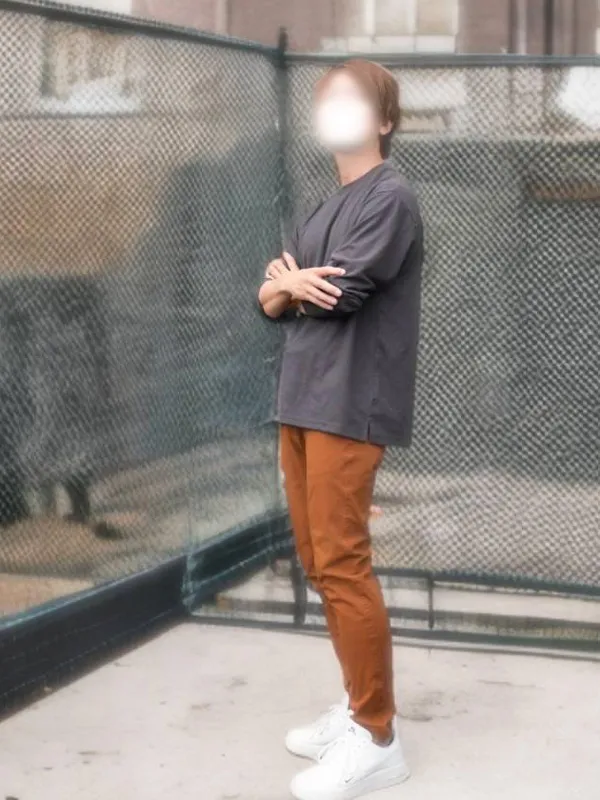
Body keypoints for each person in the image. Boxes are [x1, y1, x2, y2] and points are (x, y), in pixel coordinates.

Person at [258, 59, 423, 800]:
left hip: (350, 403)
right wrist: (285, 286)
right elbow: (268, 300)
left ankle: (378, 739)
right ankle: (358, 706)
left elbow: (338, 293)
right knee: (318, 562)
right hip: (300, 400)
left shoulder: (391, 198)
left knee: (343, 563)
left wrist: (289, 285)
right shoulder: (324, 206)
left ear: (384, 120)